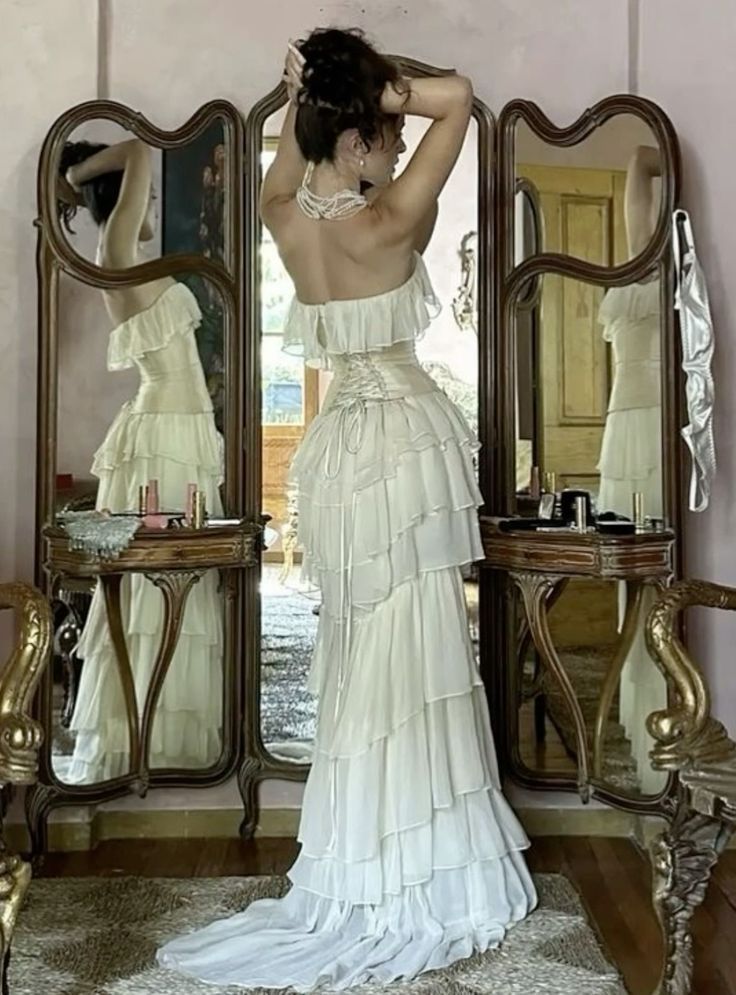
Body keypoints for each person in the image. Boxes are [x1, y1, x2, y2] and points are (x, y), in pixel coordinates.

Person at [157, 28, 536, 989]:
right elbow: (462, 97)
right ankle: (417, 849)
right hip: (402, 440)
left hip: (339, 457)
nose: (400, 149)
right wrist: (379, 87)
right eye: (385, 134)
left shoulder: (285, 212)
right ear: (363, 131)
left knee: (366, 648)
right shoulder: (389, 222)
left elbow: (299, 153)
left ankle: (367, 841)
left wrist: (330, 95)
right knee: (417, 644)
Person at [57, 138, 224, 782]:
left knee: (183, 582)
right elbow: (135, 148)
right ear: (117, 200)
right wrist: (78, 172)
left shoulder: (129, 257)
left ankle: (173, 744)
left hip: (179, 427)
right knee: (156, 585)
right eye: (140, 197)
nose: (148, 203)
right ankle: (145, 744)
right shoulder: (115, 251)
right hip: (162, 434)